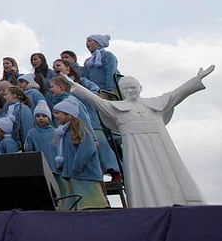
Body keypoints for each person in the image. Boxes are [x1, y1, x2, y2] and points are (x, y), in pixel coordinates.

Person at [62, 66, 214, 208]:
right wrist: (75, 86)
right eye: (127, 88)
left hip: (161, 144)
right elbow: (95, 100)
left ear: (140, 88)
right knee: (141, 176)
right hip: (135, 147)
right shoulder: (117, 109)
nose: (131, 91)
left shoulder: (155, 104)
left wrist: (196, 80)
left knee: (171, 170)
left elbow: (176, 94)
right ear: (122, 91)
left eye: (133, 87)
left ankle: (185, 200)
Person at [51, 100, 108, 210]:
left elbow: (88, 148)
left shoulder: (79, 129)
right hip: (72, 175)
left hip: (85, 174)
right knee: (72, 204)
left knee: (91, 204)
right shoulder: (64, 132)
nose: (56, 116)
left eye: (58, 113)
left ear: (68, 114)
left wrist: (77, 165)